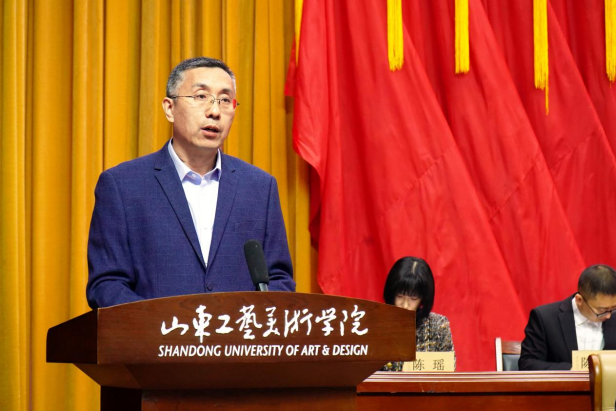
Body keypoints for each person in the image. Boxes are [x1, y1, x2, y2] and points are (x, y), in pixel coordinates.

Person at [86, 57, 295, 308]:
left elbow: (278, 278)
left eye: (225, 100)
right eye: (201, 96)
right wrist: (161, 324)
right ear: (169, 108)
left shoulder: (259, 187)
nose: (214, 111)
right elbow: (107, 284)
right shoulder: (123, 186)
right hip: (157, 333)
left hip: (238, 333)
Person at [519, 264, 616, 370]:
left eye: (613, 308)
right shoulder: (545, 318)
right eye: (602, 310)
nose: (608, 316)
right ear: (579, 300)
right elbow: (528, 363)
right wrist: (571, 370)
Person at [381, 256, 455, 371]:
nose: (405, 305)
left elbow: (448, 369)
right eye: (400, 296)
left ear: (423, 298)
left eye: (413, 297)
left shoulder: (438, 326)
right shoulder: (377, 324)